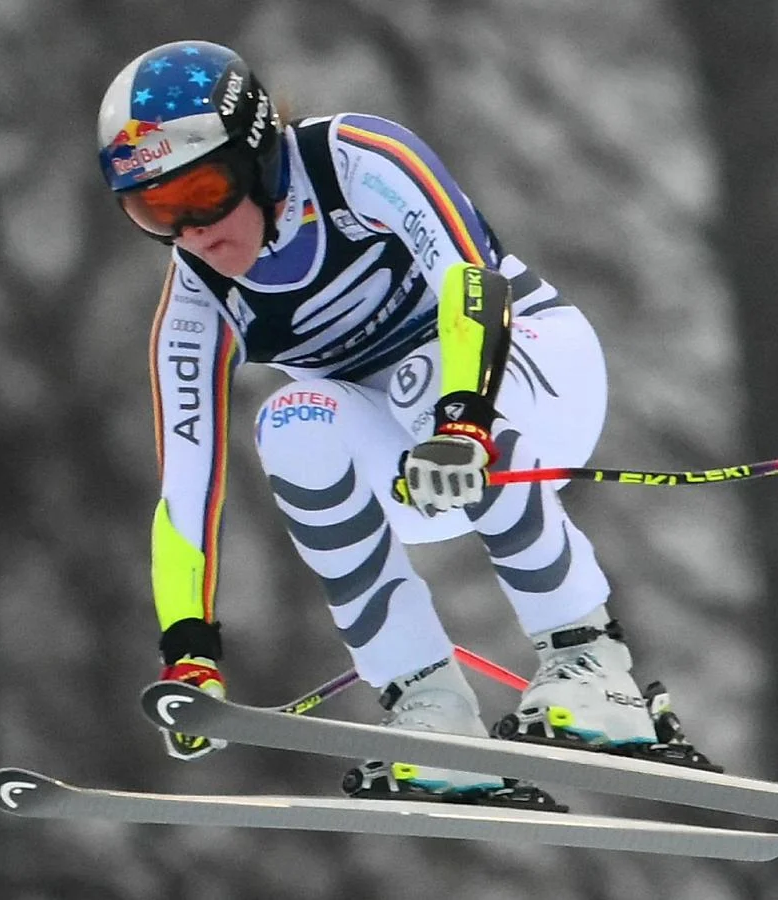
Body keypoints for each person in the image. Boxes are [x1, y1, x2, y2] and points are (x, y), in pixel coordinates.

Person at [97, 39, 679, 805]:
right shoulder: (196, 304)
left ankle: (592, 667)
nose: (194, 232)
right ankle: (432, 712)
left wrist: (463, 420)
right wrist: (190, 649)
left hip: (530, 378)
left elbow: (472, 279)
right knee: (289, 423)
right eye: (155, 211)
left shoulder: (356, 160)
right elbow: (186, 490)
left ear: (259, 154)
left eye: (203, 191)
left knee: (422, 374)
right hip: (419, 465)